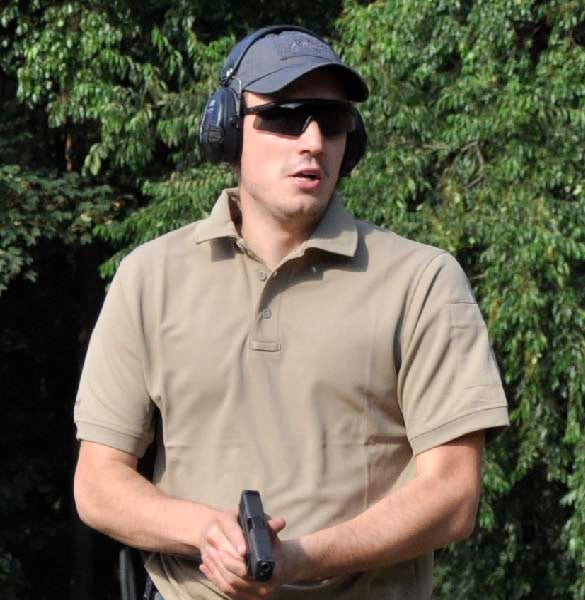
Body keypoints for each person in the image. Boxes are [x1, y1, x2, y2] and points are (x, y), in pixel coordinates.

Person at [73, 25, 509, 600]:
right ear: (227, 129)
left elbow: (453, 495)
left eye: (332, 120)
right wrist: (206, 532)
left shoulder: (421, 280)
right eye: (284, 117)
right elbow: (98, 483)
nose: (312, 141)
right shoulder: (149, 277)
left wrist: (299, 560)